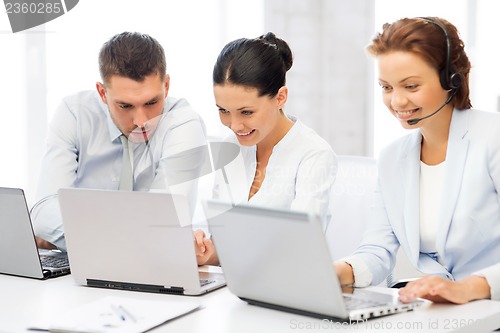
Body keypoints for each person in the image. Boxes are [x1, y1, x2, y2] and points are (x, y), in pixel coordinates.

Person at [335, 17, 500, 304]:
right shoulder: (392, 158)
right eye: (386, 87)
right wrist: (335, 272)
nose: (397, 102)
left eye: (410, 86)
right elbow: (377, 250)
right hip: (438, 309)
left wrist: (469, 288)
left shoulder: (492, 138)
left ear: (451, 79)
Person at [32, 32, 207, 252]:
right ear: (102, 93)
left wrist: (69, 234)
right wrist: (137, 235)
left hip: (153, 269)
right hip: (80, 272)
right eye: (125, 106)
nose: (142, 121)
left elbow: (164, 221)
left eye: (152, 102)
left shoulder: (183, 123)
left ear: (167, 86)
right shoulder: (74, 114)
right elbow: (44, 211)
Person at [195, 32, 337, 266]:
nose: (234, 125)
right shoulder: (230, 147)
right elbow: (224, 245)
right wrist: (207, 251)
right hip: (237, 288)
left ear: (280, 97)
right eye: (223, 111)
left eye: (246, 112)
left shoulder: (313, 154)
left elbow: (299, 248)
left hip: (288, 288)